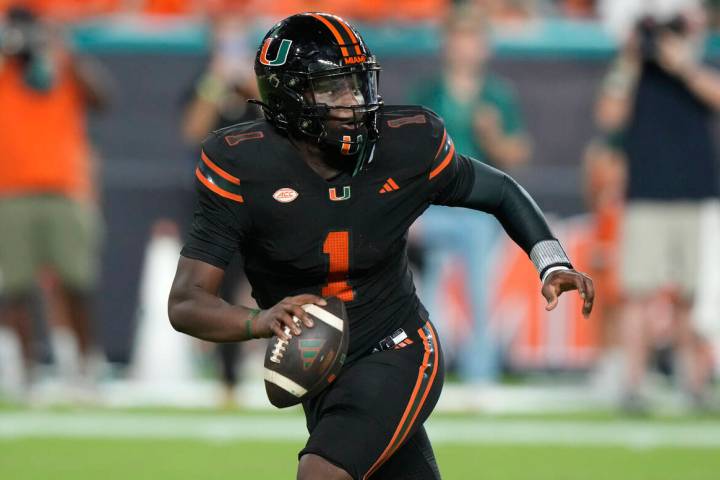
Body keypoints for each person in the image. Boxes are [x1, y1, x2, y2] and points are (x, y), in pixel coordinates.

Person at [168, 13, 594, 480]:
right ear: (290, 96)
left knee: (321, 474)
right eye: (333, 88)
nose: (352, 100)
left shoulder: (403, 142)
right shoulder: (241, 163)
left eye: (357, 83)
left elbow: (500, 190)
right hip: (325, 369)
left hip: (400, 347)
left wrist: (551, 262)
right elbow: (187, 302)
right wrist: (259, 321)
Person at [596, 6, 720, 411]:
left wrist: (683, 64)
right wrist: (631, 59)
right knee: (638, 292)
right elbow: (608, 116)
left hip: (695, 194)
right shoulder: (637, 70)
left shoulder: (699, 62)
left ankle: (695, 385)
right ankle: (633, 385)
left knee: (692, 295)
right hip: (647, 193)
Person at [410, 8, 531, 382]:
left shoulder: (496, 95)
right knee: (428, 291)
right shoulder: (429, 92)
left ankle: (481, 373)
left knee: (478, 288)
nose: (464, 49)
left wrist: (492, 135)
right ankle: (429, 371)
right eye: (458, 40)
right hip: (435, 206)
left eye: (472, 40)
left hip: (477, 208)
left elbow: (517, 154)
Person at [0, 5, 110, 394]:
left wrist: (61, 51)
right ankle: (24, 370)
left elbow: (103, 98)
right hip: (11, 191)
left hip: (66, 190)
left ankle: (84, 367)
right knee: (14, 286)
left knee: (77, 282)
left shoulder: (61, 67)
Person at [180, 13, 261, 408]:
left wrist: (250, 87)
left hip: (263, 201)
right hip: (220, 205)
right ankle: (228, 379)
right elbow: (192, 131)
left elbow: (278, 126)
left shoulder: (258, 86)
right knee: (221, 289)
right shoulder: (203, 84)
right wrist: (214, 82)